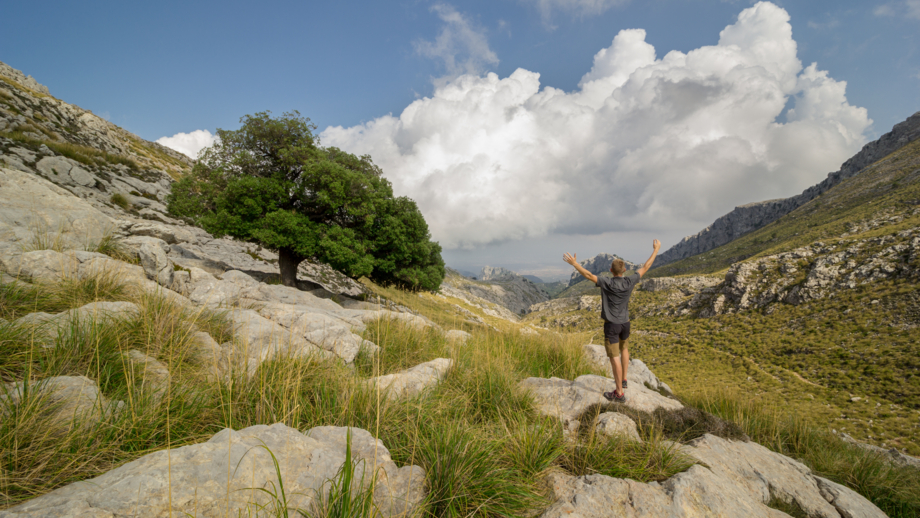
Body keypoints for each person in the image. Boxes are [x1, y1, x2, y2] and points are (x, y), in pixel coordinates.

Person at [563, 239, 661, 402]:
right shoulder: (630, 281)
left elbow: (588, 275)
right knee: (624, 349)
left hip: (612, 326)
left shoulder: (606, 282)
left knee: (614, 357)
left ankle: (619, 393)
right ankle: (624, 379)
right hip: (626, 323)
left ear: (611, 270)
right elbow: (646, 266)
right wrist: (656, 250)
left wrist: (575, 264)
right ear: (624, 270)